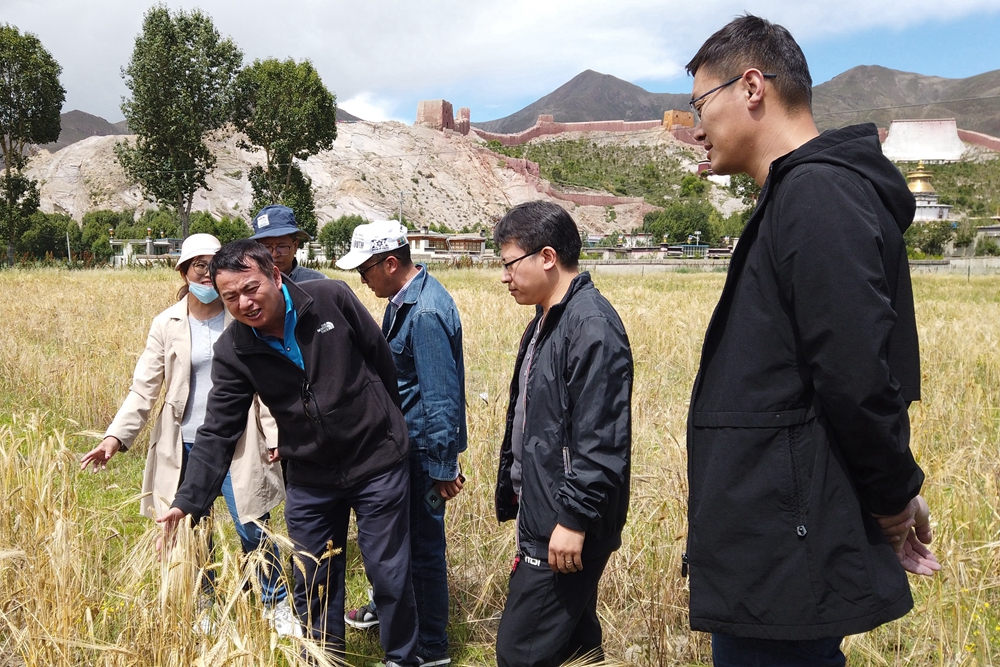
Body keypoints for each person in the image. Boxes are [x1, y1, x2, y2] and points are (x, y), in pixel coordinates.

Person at [683, 15, 941, 666]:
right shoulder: (802, 193)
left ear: (751, 88)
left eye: (699, 103)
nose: (694, 127)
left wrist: (893, 494)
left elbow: (857, 374)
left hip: (785, 553)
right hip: (777, 545)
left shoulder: (816, 193)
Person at [157, 239, 418, 666]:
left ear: (275, 276)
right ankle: (322, 660)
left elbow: (380, 358)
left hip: (376, 462)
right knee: (313, 579)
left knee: (388, 571)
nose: (244, 303)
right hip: (311, 475)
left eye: (251, 288)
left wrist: (387, 425)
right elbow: (218, 431)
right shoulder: (234, 350)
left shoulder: (330, 298)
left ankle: (402, 659)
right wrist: (187, 502)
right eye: (230, 297)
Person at [80, 233, 296, 636]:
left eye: (213, 265)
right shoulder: (167, 323)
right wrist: (114, 438)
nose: (207, 274)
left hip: (238, 440)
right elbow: (144, 387)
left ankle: (275, 604)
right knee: (192, 529)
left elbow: (267, 383)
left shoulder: (242, 315)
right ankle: (204, 602)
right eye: (198, 265)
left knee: (253, 525)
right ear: (183, 271)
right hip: (184, 442)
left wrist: (274, 434)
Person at [492, 201, 633, 667]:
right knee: (575, 645)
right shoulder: (547, 320)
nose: (504, 277)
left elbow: (601, 439)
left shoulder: (590, 326)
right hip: (546, 513)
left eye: (510, 263)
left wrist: (572, 520)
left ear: (547, 257)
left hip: (566, 522)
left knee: (520, 651)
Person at [336, 221, 467, 666]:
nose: (363, 280)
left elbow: (440, 397)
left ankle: (431, 647)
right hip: (409, 447)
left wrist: (442, 467)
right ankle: (393, 612)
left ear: (390, 263)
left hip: (422, 453)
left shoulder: (424, 312)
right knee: (402, 542)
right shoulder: (405, 300)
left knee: (423, 548)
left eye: (365, 270)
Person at [250, 204, 327, 282]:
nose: (274, 254)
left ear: (295, 246)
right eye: (267, 247)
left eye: (281, 246)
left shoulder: (318, 282)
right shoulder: (247, 282)